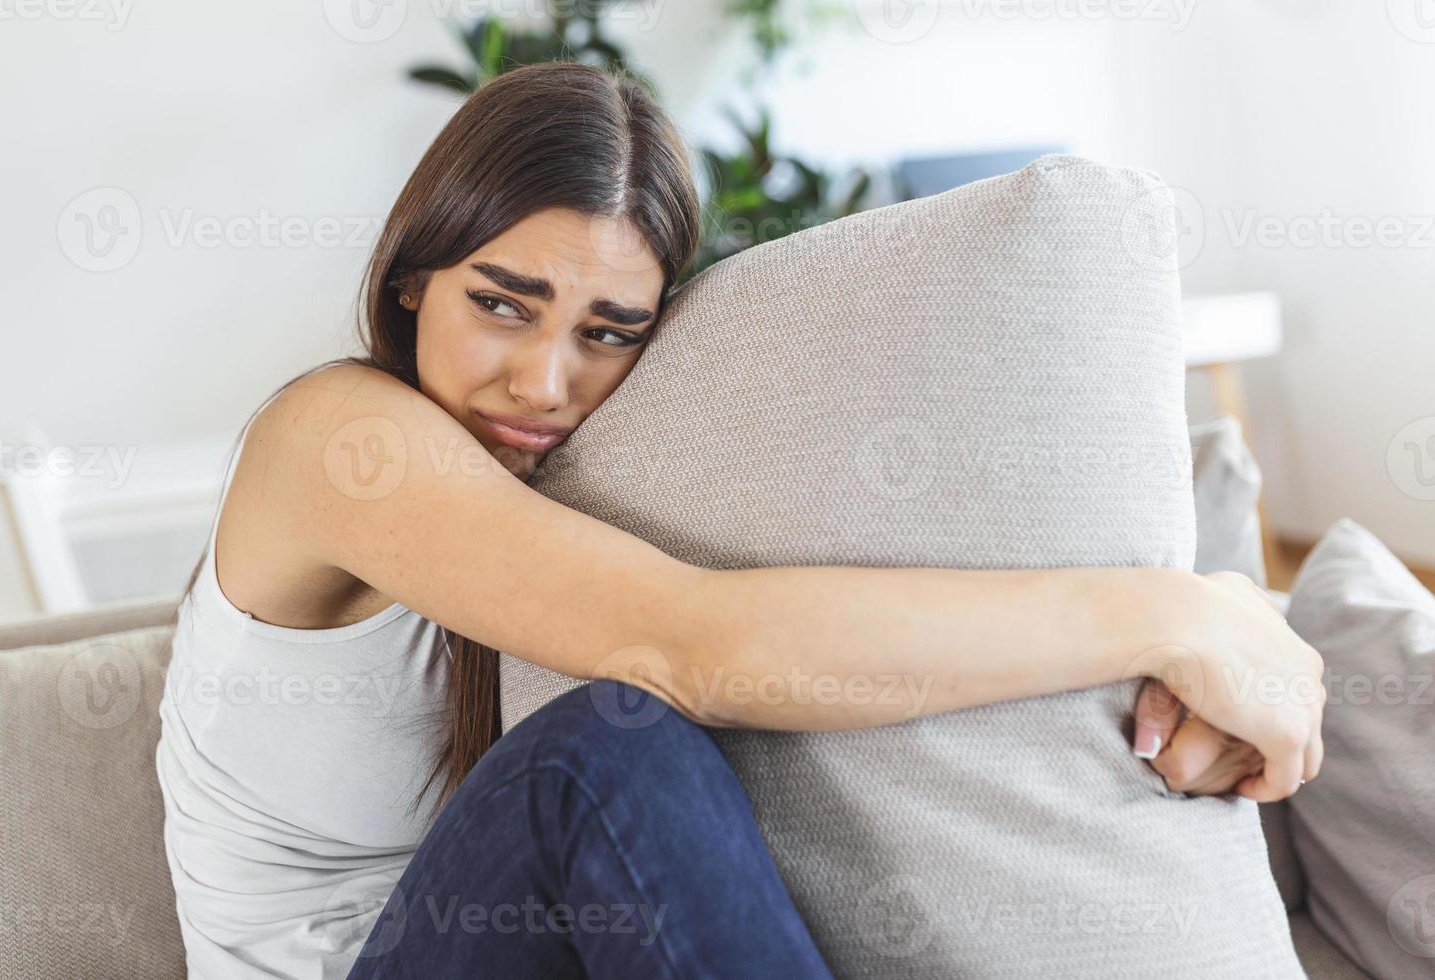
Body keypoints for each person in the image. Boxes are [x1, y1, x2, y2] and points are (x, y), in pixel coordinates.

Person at [154, 61, 1325, 980]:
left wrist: (1222, 612)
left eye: (608, 331)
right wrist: (1166, 613)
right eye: (503, 305)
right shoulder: (331, 436)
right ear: (413, 281)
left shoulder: (556, 479)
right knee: (600, 749)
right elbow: (698, 645)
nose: (547, 382)